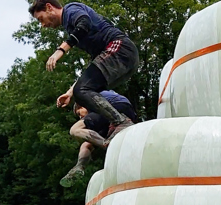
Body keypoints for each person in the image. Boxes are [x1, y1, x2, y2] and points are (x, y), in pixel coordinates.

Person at [28, 0, 139, 147]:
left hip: (119, 47)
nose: (42, 25)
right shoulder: (70, 26)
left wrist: (60, 50)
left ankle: (121, 121)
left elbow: (84, 23)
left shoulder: (70, 10)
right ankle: (117, 123)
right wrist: (70, 92)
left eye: (41, 19)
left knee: (83, 90)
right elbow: (92, 69)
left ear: (49, 8)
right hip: (122, 56)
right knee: (85, 92)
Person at [60, 90, 137, 187]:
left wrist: (68, 94)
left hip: (112, 106)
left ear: (82, 106)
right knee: (86, 144)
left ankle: (106, 144)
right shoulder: (100, 114)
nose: (80, 118)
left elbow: (80, 87)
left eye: (79, 113)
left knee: (75, 129)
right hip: (125, 113)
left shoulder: (88, 102)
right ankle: (79, 167)